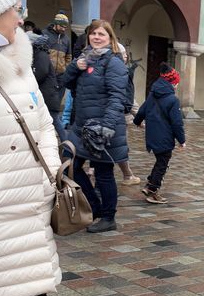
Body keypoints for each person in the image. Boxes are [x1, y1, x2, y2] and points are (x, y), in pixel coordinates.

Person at [0, 0, 71, 296]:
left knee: (33, 289)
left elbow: (43, 120)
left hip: (29, 201)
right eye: (14, 8)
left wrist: (50, 167)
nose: (21, 16)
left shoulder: (23, 61)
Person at [62, 19, 129, 233]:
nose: (97, 37)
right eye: (93, 34)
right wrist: (75, 67)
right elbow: (67, 83)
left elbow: (117, 96)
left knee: (103, 173)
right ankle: (95, 206)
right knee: (68, 163)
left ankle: (108, 218)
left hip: (102, 127)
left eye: (102, 34)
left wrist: (107, 126)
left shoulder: (114, 62)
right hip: (81, 126)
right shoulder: (84, 60)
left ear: (110, 38)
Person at [134, 62, 186, 204]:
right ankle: (152, 190)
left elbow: (142, 110)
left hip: (151, 136)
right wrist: (182, 140)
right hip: (165, 138)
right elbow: (177, 123)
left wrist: (137, 122)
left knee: (160, 161)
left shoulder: (153, 94)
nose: (176, 86)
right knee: (162, 163)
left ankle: (149, 185)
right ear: (172, 83)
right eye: (176, 83)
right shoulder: (173, 100)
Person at [27, 29, 64, 140]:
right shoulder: (39, 52)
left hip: (48, 94)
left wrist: (31, 80)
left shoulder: (40, 54)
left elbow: (42, 71)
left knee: (55, 120)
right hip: (47, 93)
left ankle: (67, 144)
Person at [115, 43, 140, 186]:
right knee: (119, 146)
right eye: (124, 54)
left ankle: (127, 174)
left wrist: (139, 116)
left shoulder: (124, 71)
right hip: (116, 116)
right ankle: (127, 175)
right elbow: (125, 98)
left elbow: (130, 98)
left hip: (120, 114)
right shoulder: (120, 72)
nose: (126, 56)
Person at [42, 12, 72, 78]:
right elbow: (39, 53)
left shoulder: (66, 39)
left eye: (65, 27)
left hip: (61, 76)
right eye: (61, 26)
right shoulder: (44, 34)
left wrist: (65, 69)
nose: (63, 29)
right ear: (55, 24)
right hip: (47, 74)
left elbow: (68, 57)